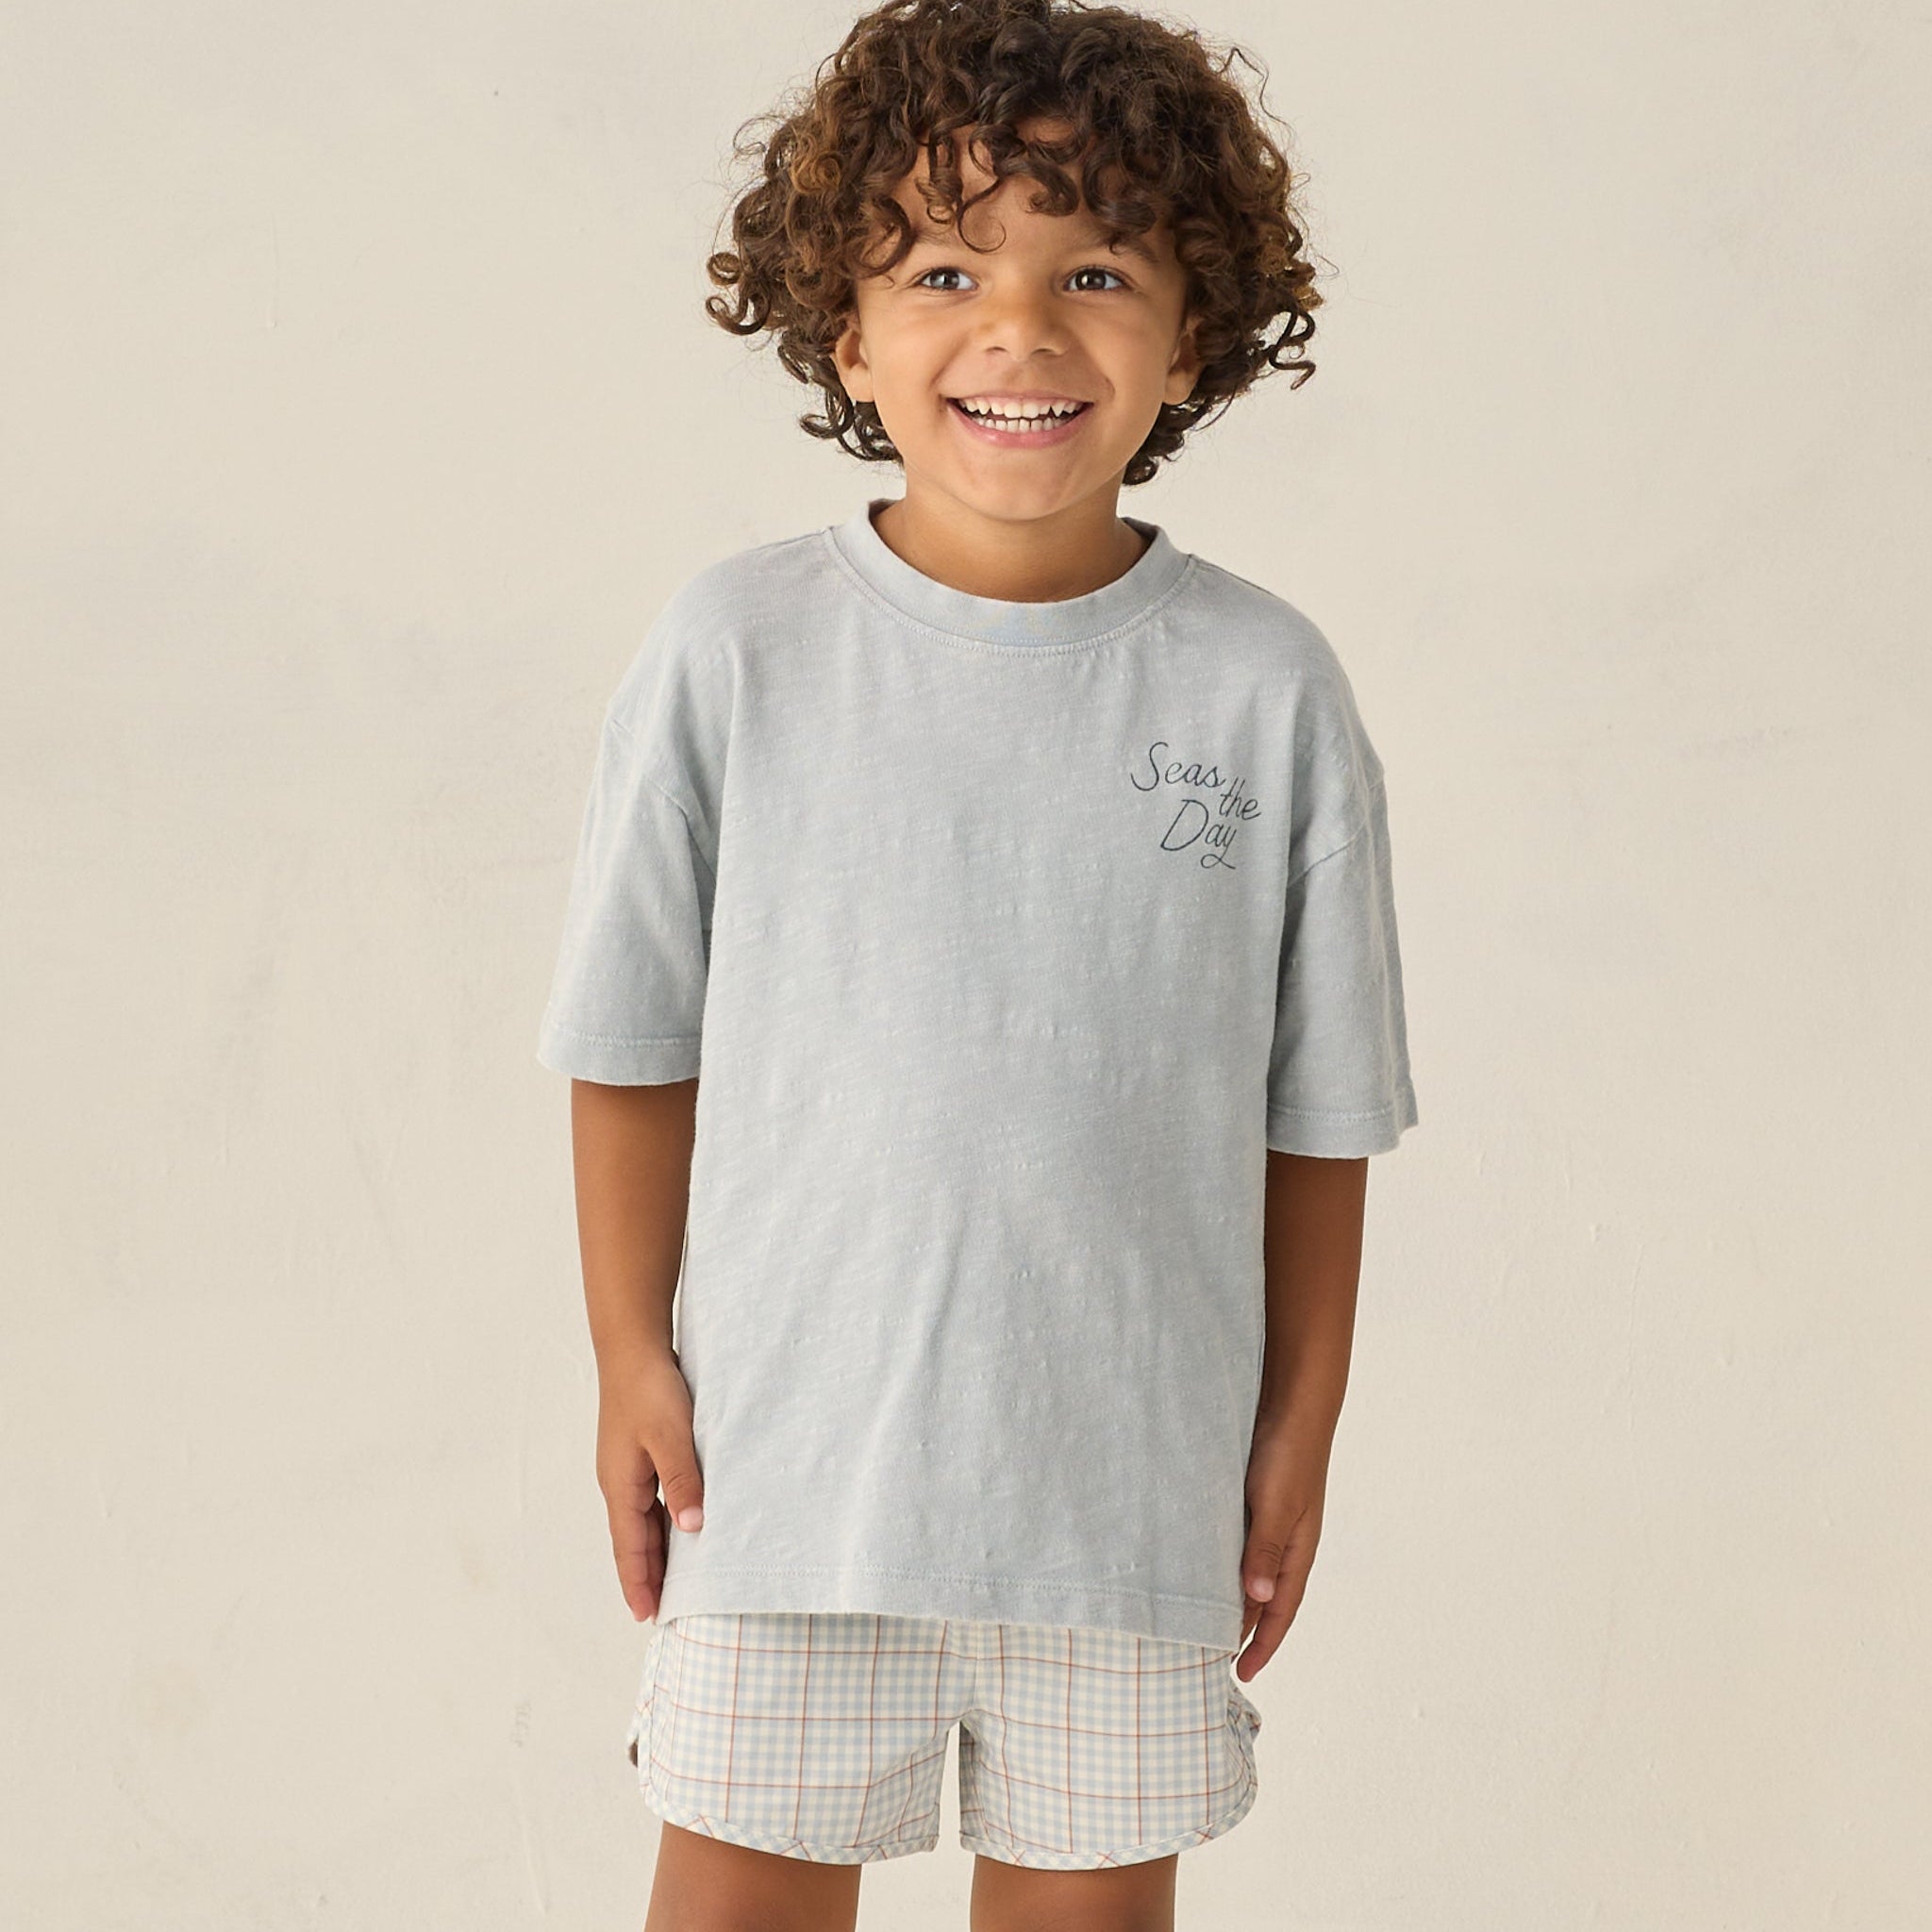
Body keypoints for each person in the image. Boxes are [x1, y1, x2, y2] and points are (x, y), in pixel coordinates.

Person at [535, 1, 1419, 1924]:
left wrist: (1300, 1428)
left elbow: (1320, 1116)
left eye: (1094, 271)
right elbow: (631, 1039)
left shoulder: (1265, 690)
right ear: (846, 330)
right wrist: (626, 1354)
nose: (1019, 330)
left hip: (1127, 1500)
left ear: (1193, 331)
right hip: (784, 1487)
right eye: (945, 271)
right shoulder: (736, 652)